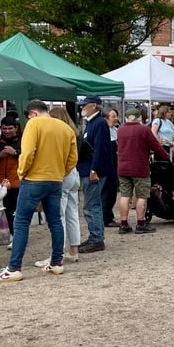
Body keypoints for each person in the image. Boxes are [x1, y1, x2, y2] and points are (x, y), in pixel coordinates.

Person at [0, 100, 77, 282]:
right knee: (55, 221)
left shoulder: (33, 124)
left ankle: (14, 268)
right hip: (55, 179)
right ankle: (56, 262)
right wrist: (61, 172)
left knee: (21, 221)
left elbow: (27, 152)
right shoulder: (66, 128)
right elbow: (73, 158)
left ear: (32, 113)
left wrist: (22, 172)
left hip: (34, 179)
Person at [33, 107, 88, 267]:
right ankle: (73, 250)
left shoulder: (56, 134)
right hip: (73, 174)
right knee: (72, 213)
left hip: (61, 174)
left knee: (58, 216)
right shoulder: (73, 133)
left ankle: (57, 254)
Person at [116, 108, 169, 234]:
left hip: (123, 167)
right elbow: (155, 146)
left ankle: (123, 224)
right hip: (140, 167)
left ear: (126, 118)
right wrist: (166, 156)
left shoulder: (120, 130)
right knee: (142, 195)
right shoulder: (144, 129)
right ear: (139, 117)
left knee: (125, 195)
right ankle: (140, 223)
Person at [77, 96, 114, 254]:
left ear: (94, 106)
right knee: (92, 205)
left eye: (84, 105)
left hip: (93, 170)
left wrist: (94, 170)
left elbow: (100, 148)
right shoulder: (93, 123)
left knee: (91, 206)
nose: (81, 107)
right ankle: (95, 236)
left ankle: (97, 238)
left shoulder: (98, 123)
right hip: (90, 168)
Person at [0, 115, 21, 237]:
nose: (7, 131)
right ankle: (6, 234)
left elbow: (29, 158)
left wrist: (15, 153)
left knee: (14, 211)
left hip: (16, 183)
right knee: (2, 210)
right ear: (0, 128)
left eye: (10, 128)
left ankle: (16, 236)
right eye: (4, 129)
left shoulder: (22, 141)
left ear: (16, 128)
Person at [102, 108, 120, 228]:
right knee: (107, 191)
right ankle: (105, 217)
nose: (116, 118)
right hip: (107, 164)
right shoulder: (104, 131)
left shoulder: (116, 130)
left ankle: (109, 216)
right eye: (113, 116)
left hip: (116, 163)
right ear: (106, 118)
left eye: (116, 116)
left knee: (113, 191)